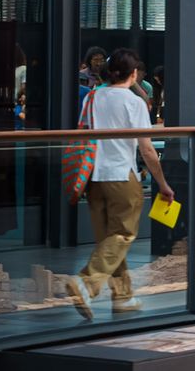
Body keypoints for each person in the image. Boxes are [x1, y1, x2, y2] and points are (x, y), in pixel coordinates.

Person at [66, 48, 175, 320]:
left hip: (94, 177)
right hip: (122, 174)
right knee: (123, 234)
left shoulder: (92, 97)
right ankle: (86, 281)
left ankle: (123, 296)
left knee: (109, 239)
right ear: (134, 73)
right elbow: (147, 149)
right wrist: (162, 182)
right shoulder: (133, 102)